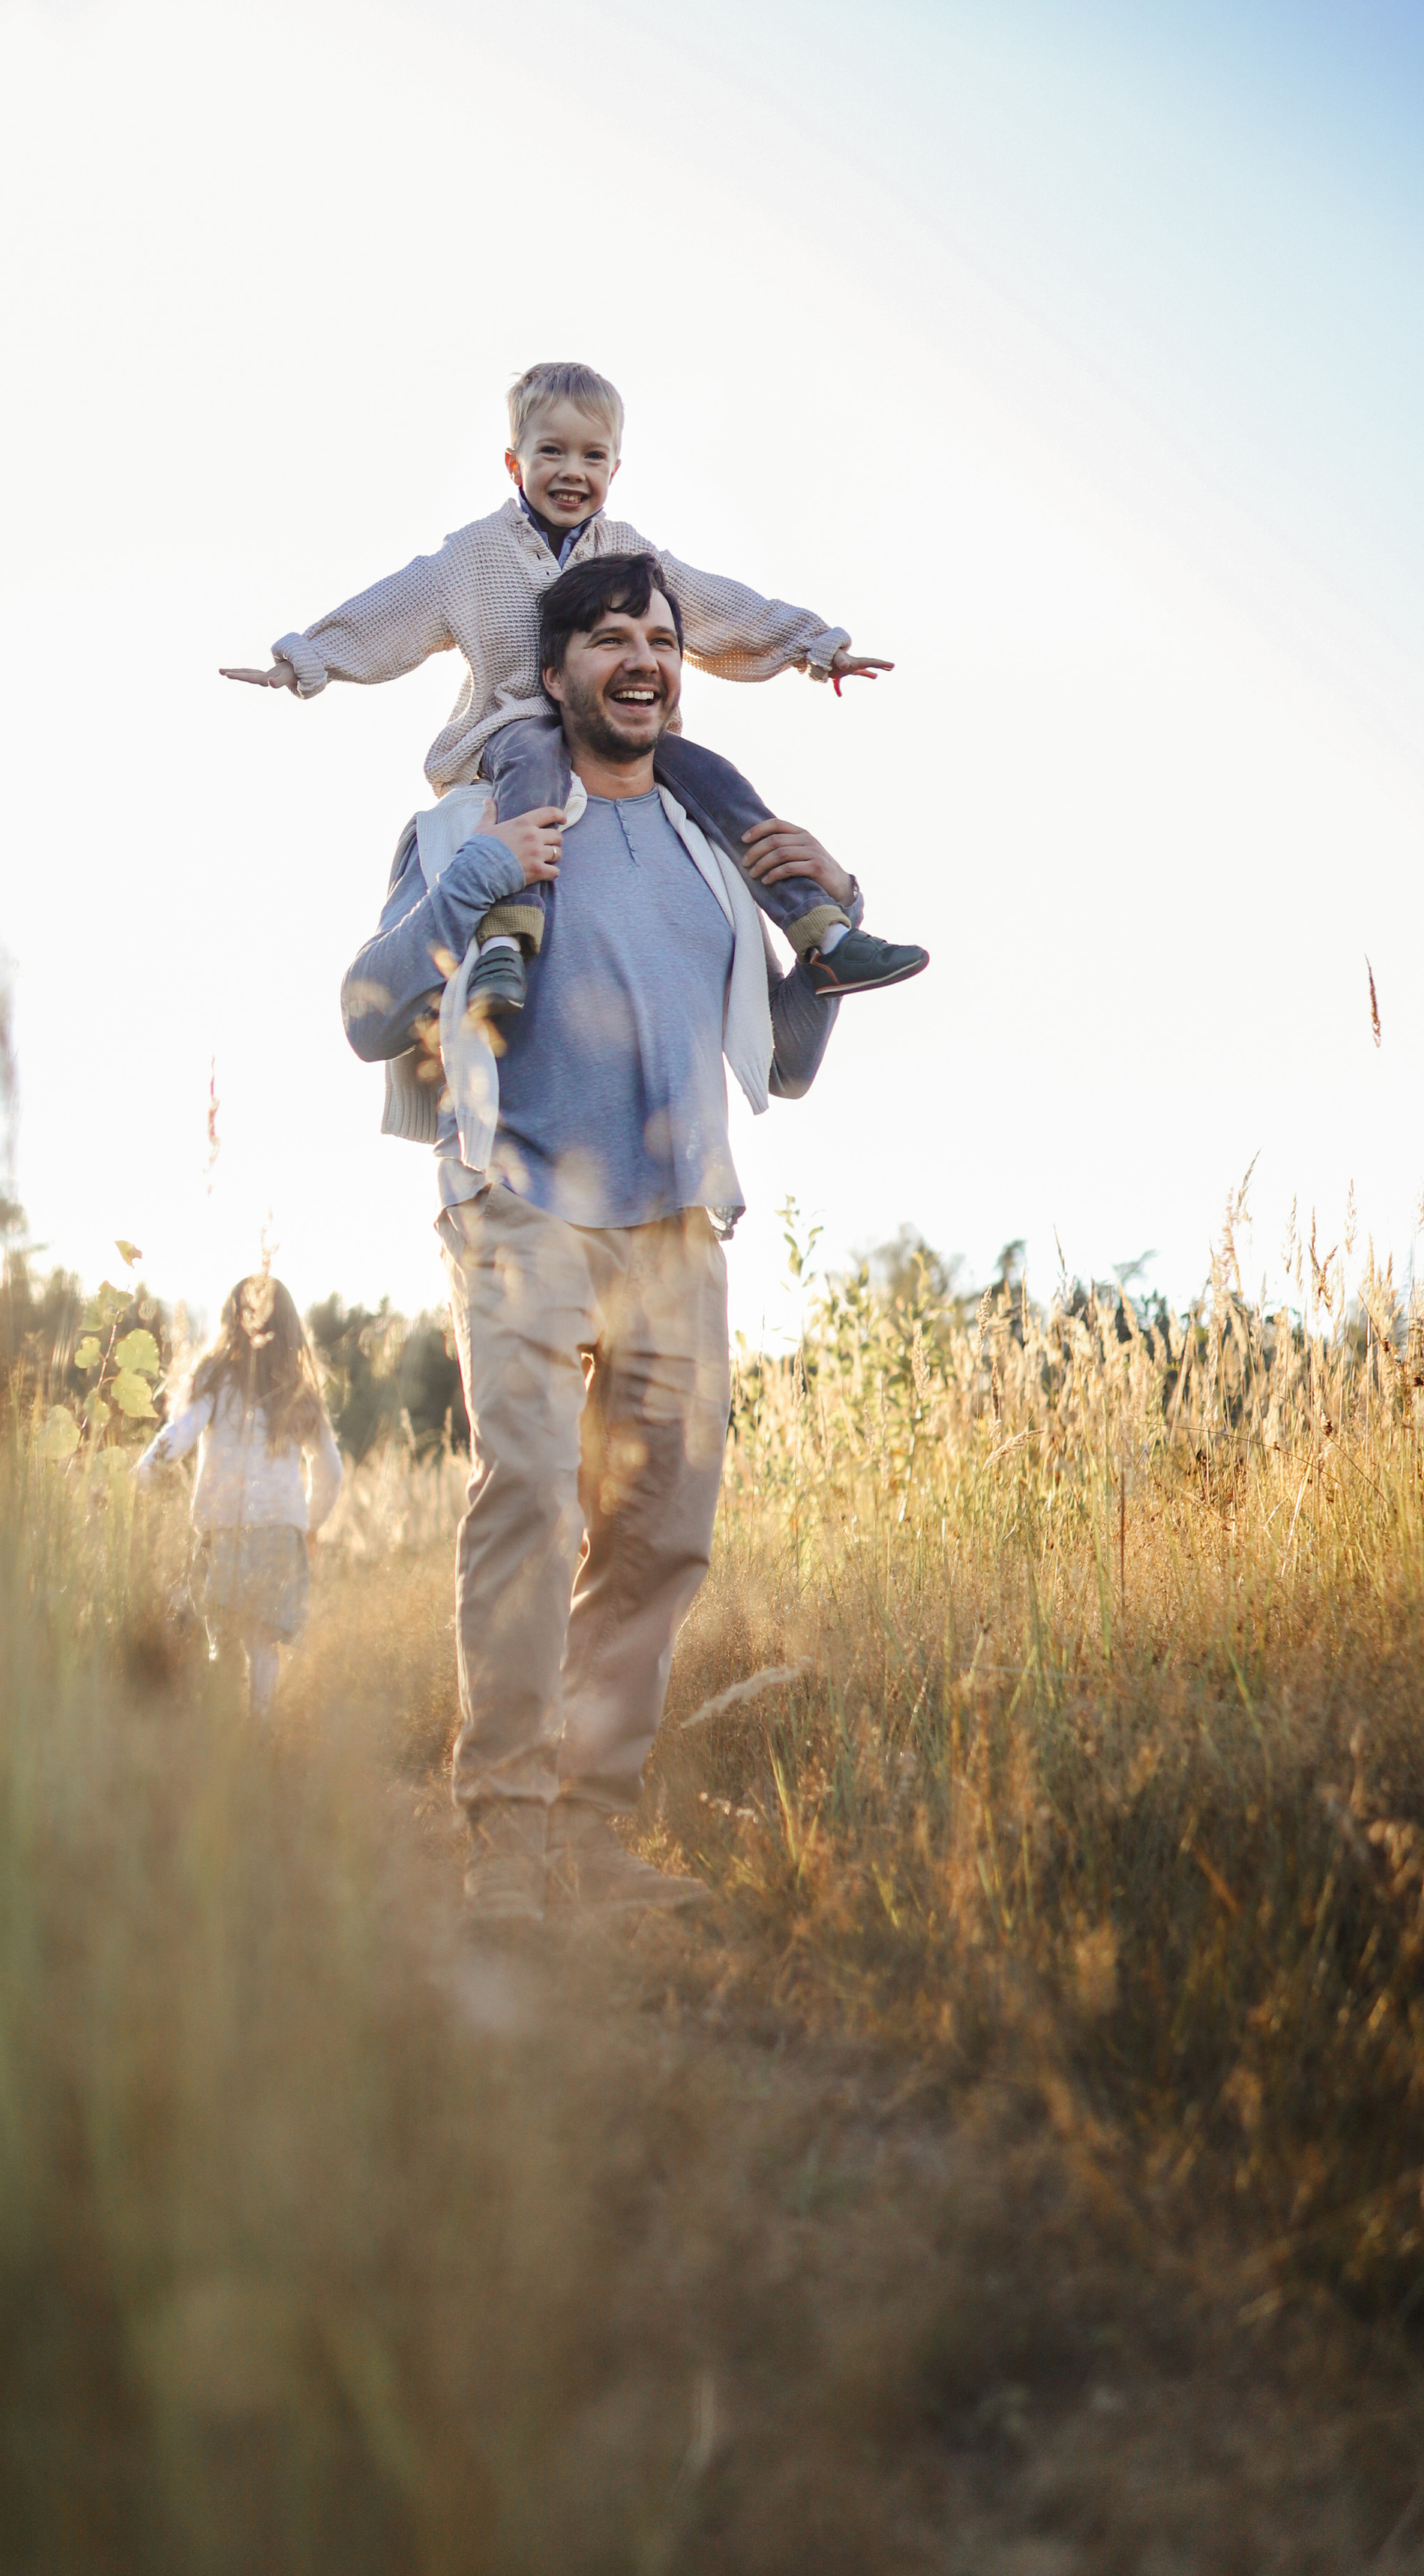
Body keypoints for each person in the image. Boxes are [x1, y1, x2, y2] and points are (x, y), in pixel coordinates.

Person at [341, 547, 860, 1925]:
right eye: (614, 636)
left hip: (680, 1230)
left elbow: (788, 1064)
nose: (644, 656)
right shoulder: (467, 830)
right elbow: (363, 1015)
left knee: (660, 1535)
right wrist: (473, 886)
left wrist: (829, 936)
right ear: (558, 670)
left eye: (663, 638)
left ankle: (590, 1835)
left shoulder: (714, 849)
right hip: (518, 1209)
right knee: (527, 1497)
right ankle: (505, 1840)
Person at [227, 358, 926, 1020]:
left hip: (620, 740)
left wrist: (812, 646)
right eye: (551, 452)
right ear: (514, 463)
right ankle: (507, 937)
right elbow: (396, 607)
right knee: (533, 756)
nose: (572, 472)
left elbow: (715, 607)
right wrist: (305, 658)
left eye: (593, 457)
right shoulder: (475, 555)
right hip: (514, 729)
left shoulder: (630, 554)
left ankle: (822, 930)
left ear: (615, 469)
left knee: (715, 776)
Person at [134, 1275, 343, 1715]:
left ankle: (222, 1738)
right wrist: (307, 1523)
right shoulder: (299, 1390)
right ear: (290, 1328)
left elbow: (181, 1432)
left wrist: (144, 1470)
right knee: (263, 1644)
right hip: (279, 1527)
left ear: (230, 1319)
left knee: (221, 1636)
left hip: (223, 1523)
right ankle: (259, 1736)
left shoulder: (213, 1377)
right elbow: (330, 1471)